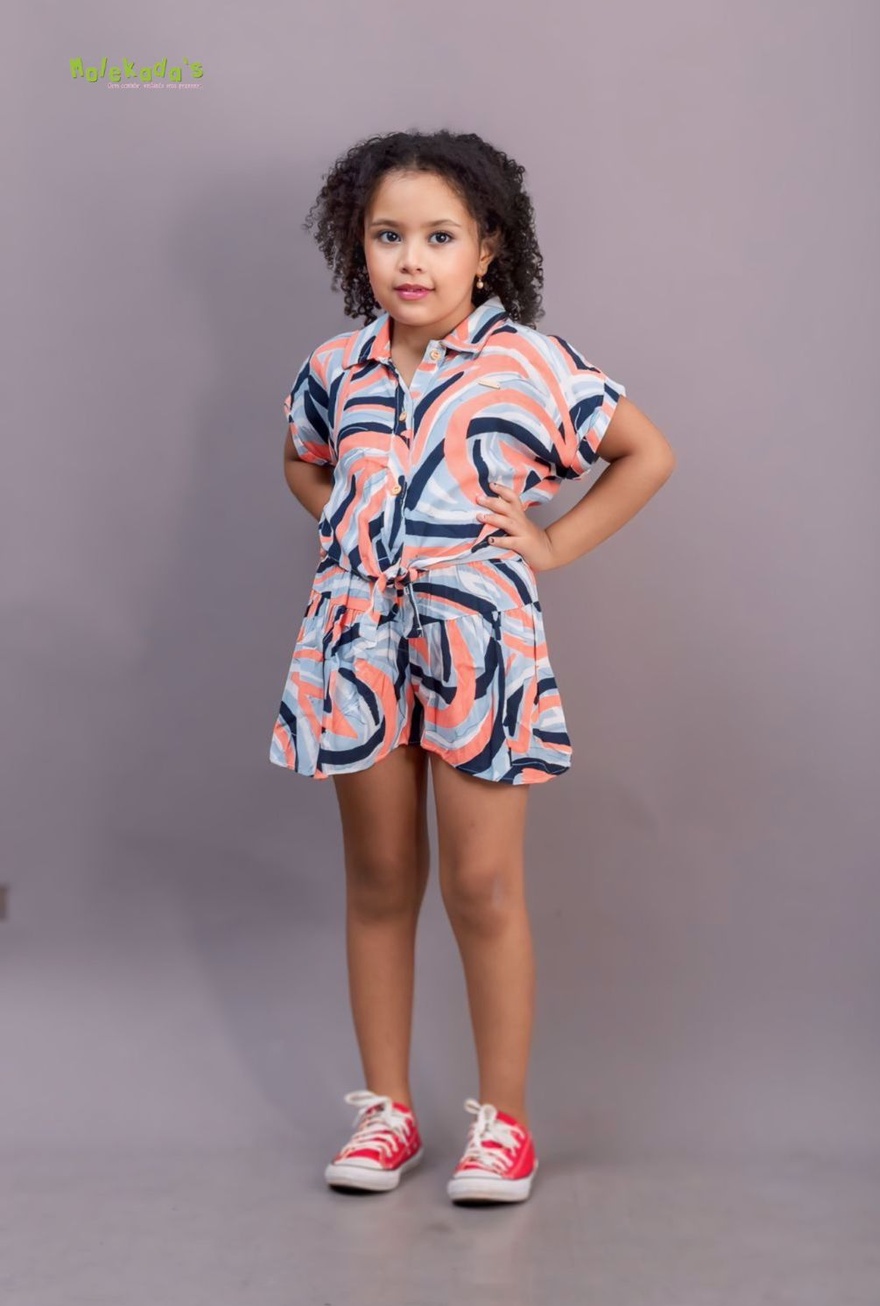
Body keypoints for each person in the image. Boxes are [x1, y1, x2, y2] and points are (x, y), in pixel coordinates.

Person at [269, 128, 676, 1206]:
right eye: (388, 235)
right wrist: (354, 527)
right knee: (379, 879)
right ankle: (387, 1112)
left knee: (482, 885)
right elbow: (303, 461)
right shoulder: (335, 367)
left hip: (478, 646)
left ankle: (505, 1124)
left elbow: (646, 453)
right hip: (358, 645)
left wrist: (550, 543)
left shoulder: (532, 364)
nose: (412, 259)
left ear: (487, 248)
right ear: (357, 245)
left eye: (440, 236)